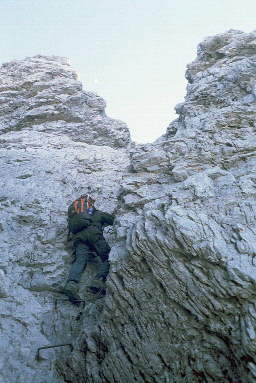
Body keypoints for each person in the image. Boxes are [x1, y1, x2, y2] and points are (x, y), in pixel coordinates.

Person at [62, 194, 114, 304]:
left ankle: (71, 284)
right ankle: (98, 280)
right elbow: (114, 220)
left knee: (80, 261)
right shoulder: (97, 213)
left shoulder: (76, 219)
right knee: (109, 257)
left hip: (79, 239)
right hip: (94, 235)